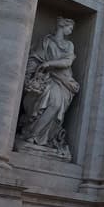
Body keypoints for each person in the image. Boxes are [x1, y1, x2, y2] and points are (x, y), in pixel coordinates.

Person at [19, 17, 80, 155]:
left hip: (63, 80)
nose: (71, 31)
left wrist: (49, 64)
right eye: (69, 28)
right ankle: (32, 135)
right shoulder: (46, 41)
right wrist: (29, 75)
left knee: (56, 104)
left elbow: (67, 62)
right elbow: (35, 57)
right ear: (62, 26)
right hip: (46, 78)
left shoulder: (69, 44)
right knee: (48, 102)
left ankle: (40, 137)